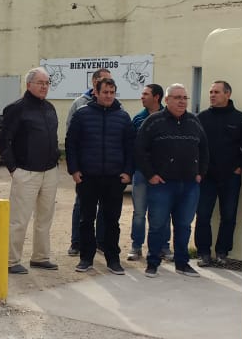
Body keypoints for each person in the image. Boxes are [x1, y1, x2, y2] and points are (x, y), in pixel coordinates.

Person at [135, 83, 208, 278]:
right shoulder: (153, 122)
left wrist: (201, 172)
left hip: (190, 185)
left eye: (184, 98)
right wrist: (150, 175)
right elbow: (140, 150)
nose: (182, 101)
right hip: (162, 186)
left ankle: (182, 263)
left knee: (184, 225)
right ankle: (152, 263)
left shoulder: (194, 122)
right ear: (166, 100)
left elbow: (204, 149)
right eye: (177, 98)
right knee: (158, 225)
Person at [65, 77, 133, 275]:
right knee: (86, 220)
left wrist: (128, 172)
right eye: (105, 92)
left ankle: (113, 259)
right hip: (88, 178)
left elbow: (130, 146)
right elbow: (71, 144)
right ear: (96, 92)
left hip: (114, 178)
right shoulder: (82, 114)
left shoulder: (122, 116)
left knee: (112, 221)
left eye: (112, 92)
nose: (109, 96)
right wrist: (74, 170)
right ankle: (86, 258)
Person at [0, 67, 60, 274]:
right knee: (18, 220)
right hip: (26, 172)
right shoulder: (16, 109)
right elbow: (3, 141)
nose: (44, 87)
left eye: (47, 83)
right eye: (40, 83)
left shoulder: (50, 108)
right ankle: (11, 260)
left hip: (49, 172)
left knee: (44, 219)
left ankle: (40, 257)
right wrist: (14, 169)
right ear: (29, 84)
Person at [195, 81, 242, 266]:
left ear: (227, 94)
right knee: (203, 215)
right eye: (211, 92)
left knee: (228, 216)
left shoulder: (240, 119)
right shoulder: (201, 118)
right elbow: (193, 145)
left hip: (230, 177)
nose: (212, 95)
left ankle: (222, 252)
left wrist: (239, 167)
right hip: (206, 177)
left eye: (216, 92)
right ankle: (204, 253)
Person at [65, 68, 111, 256]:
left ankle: (99, 242)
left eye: (110, 81)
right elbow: (71, 137)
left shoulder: (117, 106)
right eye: (103, 80)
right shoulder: (79, 104)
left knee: (104, 207)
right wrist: (75, 166)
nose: (108, 84)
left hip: (107, 169)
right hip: (86, 169)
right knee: (82, 207)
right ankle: (77, 243)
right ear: (94, 82)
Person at [128, 83, 171, 262]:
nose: (142, 97)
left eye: (146, 94)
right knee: (139, 212)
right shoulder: (138, 119)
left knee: (163, 212)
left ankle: (164, 247)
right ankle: (136, 247)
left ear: (157, 97)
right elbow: (132, 147)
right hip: (141, 174)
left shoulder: (168, 118)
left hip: (163, 174)